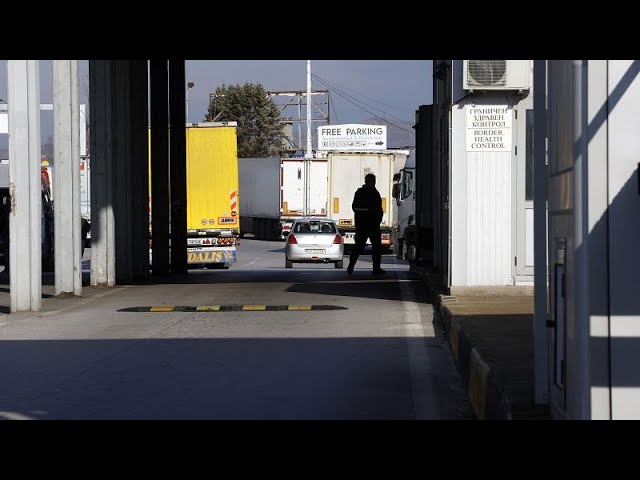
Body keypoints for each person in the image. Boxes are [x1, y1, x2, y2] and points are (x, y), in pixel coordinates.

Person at [347, 173, 385, 275]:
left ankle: (375, 268)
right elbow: (356, 207)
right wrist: (372, 214)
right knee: (364, 247)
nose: (373, 182)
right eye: (371, 180)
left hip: (367, 224)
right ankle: (352, 266)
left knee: (371, 247)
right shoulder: (366, 193)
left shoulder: (370, 192)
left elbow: (356, 207)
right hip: (367, 224)